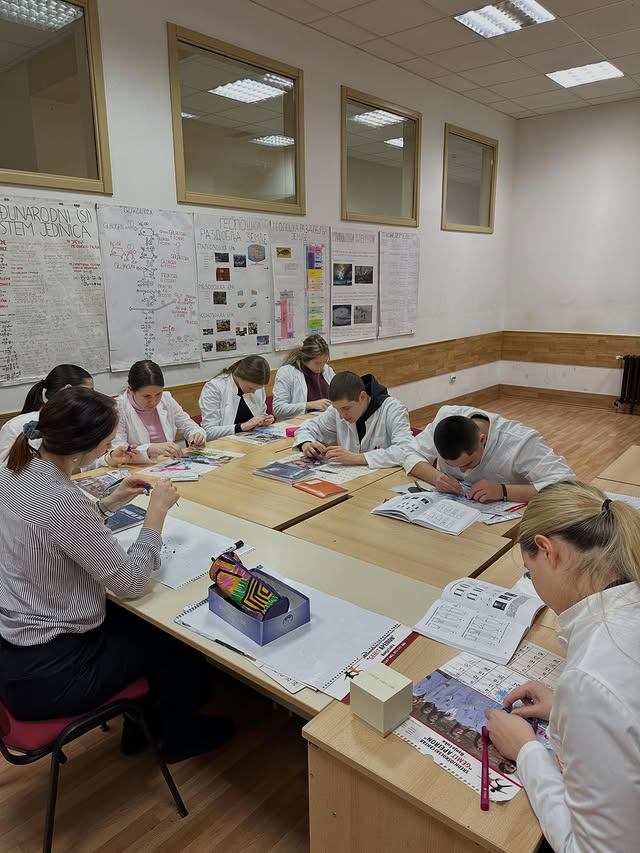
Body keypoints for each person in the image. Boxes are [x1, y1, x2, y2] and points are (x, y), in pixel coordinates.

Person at [0, 387, 231, 763]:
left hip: (18, 655)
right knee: (172, 639)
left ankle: (142, 728)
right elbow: (130, 583)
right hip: (54, 673)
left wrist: (108, 503)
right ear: (85, 448)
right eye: (108, 443)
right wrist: (156, 515)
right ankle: (180, 735)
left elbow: (57, 535)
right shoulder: (63, 500)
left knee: (138, 626)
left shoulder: (15, 473)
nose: (111, 447)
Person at [484, 481, 640, 853]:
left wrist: (526, 752)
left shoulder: (591, 677)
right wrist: (568, 711)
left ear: (547, 550)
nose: (533, 582)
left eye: (529, 571)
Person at [403, 405, 574, 503]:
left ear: (482, 440)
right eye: (451, 465)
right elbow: (409, 453)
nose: (462, 471)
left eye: (468, 463)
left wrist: (503, 491)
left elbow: (567, 486)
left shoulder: (521, 442)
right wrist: (437, 477)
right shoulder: (446, 420)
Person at [0, 364, 133, 470]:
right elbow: (6, 474)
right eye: (87, 392)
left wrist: (109, 459)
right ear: (68, 391)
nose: (91, 399)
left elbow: (80, 462)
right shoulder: (15, 426)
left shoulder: (78, 422)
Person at [294, 371, 412, 468]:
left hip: (385, 478)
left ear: (362, 396)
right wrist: (306, 443)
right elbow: (308, 427)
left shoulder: (393, 409)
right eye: (336, 409)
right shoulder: (337, 410)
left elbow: (406, 450)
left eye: (346, 408)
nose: (341, 416)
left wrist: (356, 458)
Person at [112, 360, 206, 464]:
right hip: (137, 468)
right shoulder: (118, 408)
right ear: (130, 390)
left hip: (167, 463)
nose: (153, 401)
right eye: (147, 396)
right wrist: (150, 449)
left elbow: (188, 425)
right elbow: (118, 451)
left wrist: (196, 434)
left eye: (158, 394)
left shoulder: (166, 399)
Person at [199, 355, 274, 440]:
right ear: (240, 377)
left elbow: (260, 414)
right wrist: (241, 427)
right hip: (225, 443)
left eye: (257, 389)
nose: (254, 392)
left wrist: (264, 420)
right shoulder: (214, 388)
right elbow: (208, 432)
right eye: (250, 388)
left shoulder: (256, 387)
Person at [272, 334, 335, 419]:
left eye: (324, 362)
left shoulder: (327, 370)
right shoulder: (286, 372)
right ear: (305, 358)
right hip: (297, 422)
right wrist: (309, 405)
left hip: (323, 420)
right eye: (317, 363)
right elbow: (278, 409)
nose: (321, 367)